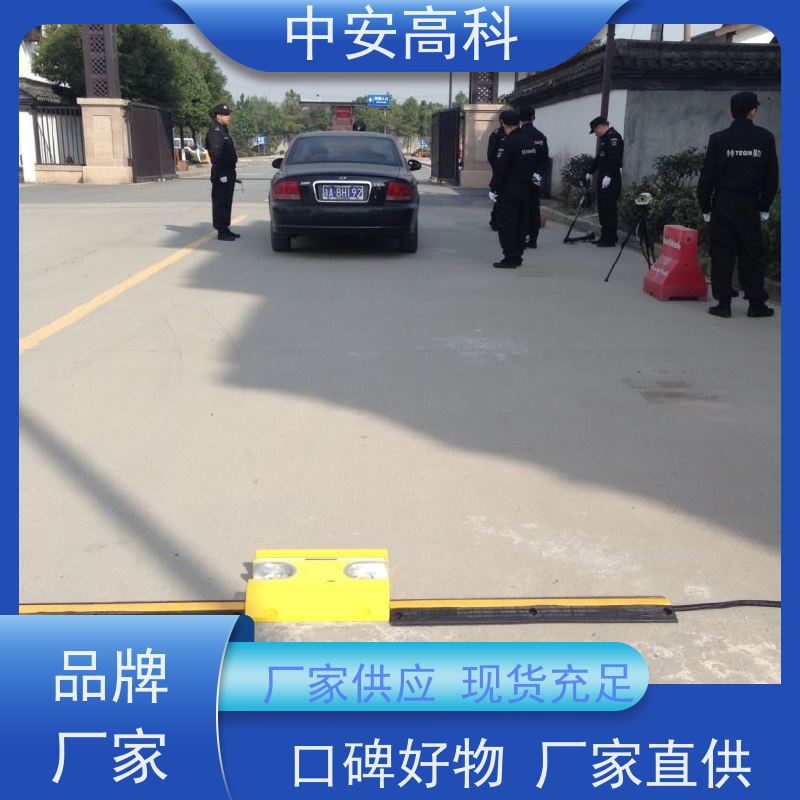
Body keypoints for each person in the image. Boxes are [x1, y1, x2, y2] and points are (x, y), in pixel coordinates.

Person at [697, 91, 779, 318]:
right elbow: (771, 177)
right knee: (752, 253)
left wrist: (705, 207)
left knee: (722, 253)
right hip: (749, 203)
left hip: (723, 202)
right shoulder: (765, 138)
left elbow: (707, 177)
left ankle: (723, 304)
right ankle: (756, 304)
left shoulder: (718, 139)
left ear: (731, 112)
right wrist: (764, 205)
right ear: (753, 111)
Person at [489, 110, 537, 269]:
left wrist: (493, 188)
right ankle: (518, 255)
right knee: (521, 223)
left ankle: (510, 257)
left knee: (507, 224)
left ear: (504, 124)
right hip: (526, 188)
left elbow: (500, 168)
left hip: (509, 190)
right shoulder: (528, 142)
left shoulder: (508, 143)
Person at [586, 116, 624, 247]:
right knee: (603, 209)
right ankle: (604, 236)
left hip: (611, 179)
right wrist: (590, 171)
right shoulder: (605, 139)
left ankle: (610, 238)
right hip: (604, 178)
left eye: (595, 130)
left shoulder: (613, 138)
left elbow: (615, 159)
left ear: (600, 127)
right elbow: (600, 158)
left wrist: (608, 175)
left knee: (609, 210)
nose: (595, 133)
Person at [205, 104, 239, 241]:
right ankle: (221, 231)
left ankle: (225, 228)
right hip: (221, 171)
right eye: (226, 114)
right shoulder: (215, 132)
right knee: (220, 201)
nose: (228, 116)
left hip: (228, 170)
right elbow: (216, 154)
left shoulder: (224, 130)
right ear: (218, 116)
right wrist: (221, 174)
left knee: (227, 201)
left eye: (229, 114)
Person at [519, 107, 549, 249]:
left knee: (521, 208)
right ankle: (533, 239)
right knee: (534, 207)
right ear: (533, 118)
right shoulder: (540, 136)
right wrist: (539, 174)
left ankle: (521, 236)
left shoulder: (517, 136)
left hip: (520, 179)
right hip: (535, 178)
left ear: (520, 119)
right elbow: (545, 159)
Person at [486, 112, 507, 231]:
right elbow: (491, 154)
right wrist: (497, 168)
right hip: (500, 170)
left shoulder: (516, 134)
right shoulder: (496, 134)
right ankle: (495, 222)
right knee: (499, 196)